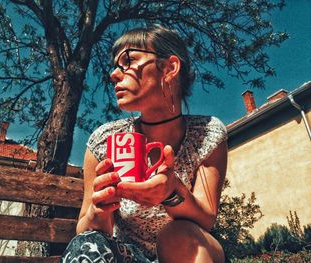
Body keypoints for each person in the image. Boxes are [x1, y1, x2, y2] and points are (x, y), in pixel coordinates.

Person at [61, 25, 228, 263]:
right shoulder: (104, 141)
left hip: (190, 251)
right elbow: (87, 230)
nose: (114, 74)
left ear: (169, 68)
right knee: (87, 244)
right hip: (128, 256)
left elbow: (206, 219)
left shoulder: (207, 133)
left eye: (128, 61)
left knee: (178, 234)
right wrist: (99, 208)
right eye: (115, 65)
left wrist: (170, 192)